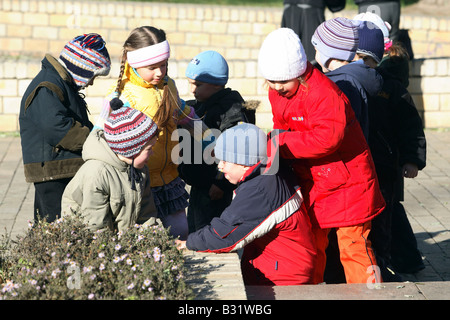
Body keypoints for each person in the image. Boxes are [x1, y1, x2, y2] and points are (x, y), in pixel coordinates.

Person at [257, 28, 385, 284]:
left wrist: (280, 143)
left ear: (300, 72)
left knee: (354, 245)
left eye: (282, 81)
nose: (276, 87)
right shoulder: (277, 91)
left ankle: (370, 294)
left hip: (350, 181)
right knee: (311, 243)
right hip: (316, 180)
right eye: (271, 81)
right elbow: (281, 124)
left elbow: (328, 138)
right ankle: (312, 290)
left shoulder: (324, 93)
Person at [177, 123, 317, 286]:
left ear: (244, 163)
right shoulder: (268, 172)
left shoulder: (259, 190)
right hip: (279, 264)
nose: (220, 166)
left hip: (283, 277)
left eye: (225, 161)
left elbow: (224, 235)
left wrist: (187, 243)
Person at [98, 26, 201, 240]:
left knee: (181, 233)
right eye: (152, 67)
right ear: (134, 63)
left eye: (164, 65)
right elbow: (102, 132)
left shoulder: (168, 85)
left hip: (170, 178)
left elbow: (180, 110)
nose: (160, 72)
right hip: (140, 181)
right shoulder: (121, 95)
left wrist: (206, 133)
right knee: (148, 238)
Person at [353, 13, 427, 274]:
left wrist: (412, 158)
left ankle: (384, 263)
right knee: (383, 214)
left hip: (386, 164)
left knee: (386, 215)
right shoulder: (350, 80)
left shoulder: (390, 86)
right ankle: (399, 259)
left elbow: (410, 126)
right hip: (361, 161)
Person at [19, 33, 111, 224]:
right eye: (92, 75)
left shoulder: (60, 83)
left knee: (52, 222)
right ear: (81, 68)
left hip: (59, 165)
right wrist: (95, 140)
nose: (92, 82)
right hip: (54, 169)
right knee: (56, 221)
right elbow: (57, 127)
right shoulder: (47, 86)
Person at [178, 50, 255, 233]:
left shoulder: (230, 111)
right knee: (194, 229)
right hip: (199, 182)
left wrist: (221, 184)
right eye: (190, 84)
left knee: (210, 232)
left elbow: (236, 151)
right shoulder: (201, 105)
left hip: (215, 188)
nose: (192, 89)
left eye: (198, 84)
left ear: (216, 85)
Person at [61, 103, 160, 232]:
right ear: (130, 150)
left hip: (121, 242)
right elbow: (96, 226)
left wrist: (150, 241)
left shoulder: (140, 170)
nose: (152, 153)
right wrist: (111, 250)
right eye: (149, 149)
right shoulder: (96, 174)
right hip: (92, 244)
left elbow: (146, 214)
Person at [311, 16, 383, 141]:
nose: (315, 54)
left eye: (316, 50)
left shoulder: (342, 85)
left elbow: (332, 134)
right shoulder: (348, 79)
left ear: (328, 53)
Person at [281, 0, 346, 68]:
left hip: (289, 10)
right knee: (312, 57)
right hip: (311, 12)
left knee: (289, 54)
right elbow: (336, 5)